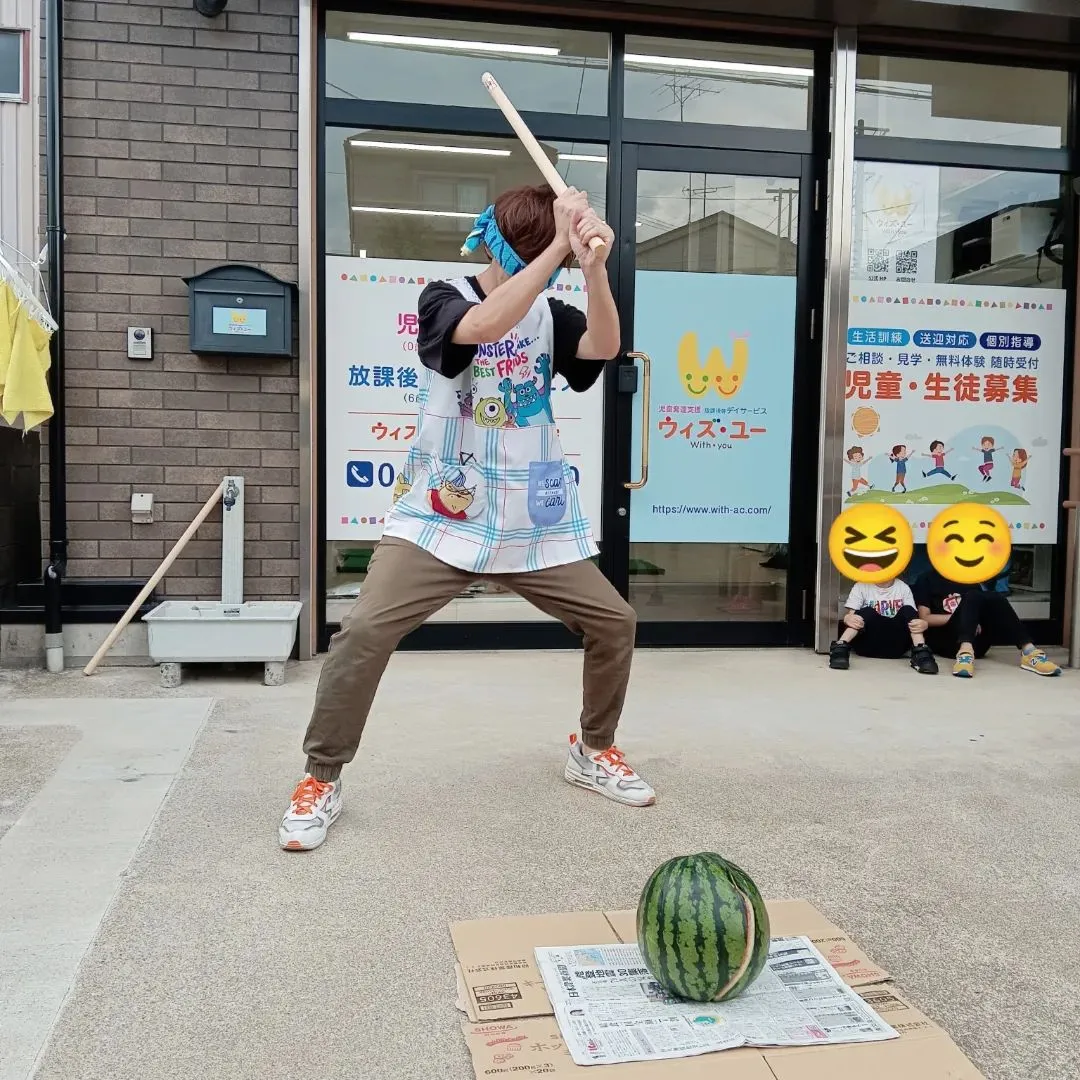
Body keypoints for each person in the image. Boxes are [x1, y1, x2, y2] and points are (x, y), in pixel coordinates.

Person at [279, 183, 655, 852]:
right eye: (549, 257)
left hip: (531, 520)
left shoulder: (552, 313)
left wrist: (593, 269)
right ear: (501, 243)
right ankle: (321, 777)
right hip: (443, 514)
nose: (556, 270)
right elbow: (481, 327)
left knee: (614, 623)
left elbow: (604, 345)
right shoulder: (443, 296)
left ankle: (593, 749)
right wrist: (559, 250)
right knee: (364, 631)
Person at [913, 568, 1060, 678]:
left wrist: (972, 620)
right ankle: (965, 653)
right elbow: (925, 618)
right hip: (947, 642)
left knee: (995, 597)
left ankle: (1029, 651)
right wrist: (967, 620)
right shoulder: (926, 578)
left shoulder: (968, 577)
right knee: (972, 596)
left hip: (978, 644)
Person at [829, 576, 938, 674]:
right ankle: (840, 648)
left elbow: (912, 617)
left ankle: (921, 652)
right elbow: (852, 616)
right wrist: (848, 618)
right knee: (866, 611)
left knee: (908, 610)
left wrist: (923, 624)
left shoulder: (903, 587)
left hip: (896, 645)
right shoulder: (861, 585)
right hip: (867, 643)